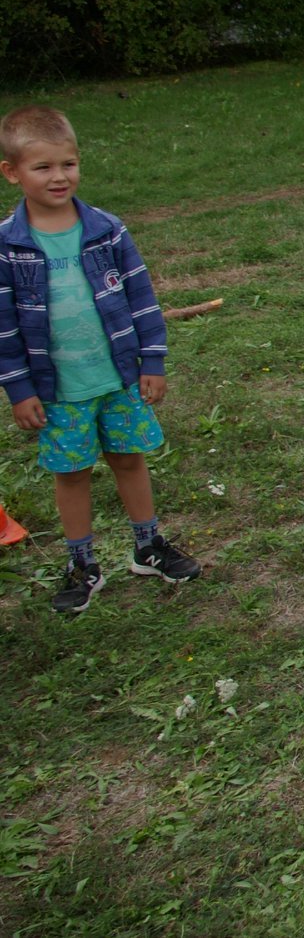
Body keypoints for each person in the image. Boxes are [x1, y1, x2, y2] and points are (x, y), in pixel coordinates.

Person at [0, 107, 198, 614]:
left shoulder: (106, 230)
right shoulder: (7, 247)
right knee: (72, 473)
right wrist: (20, 390)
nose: (59, 176)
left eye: (68, 163)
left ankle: (148, 546)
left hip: (118, 379)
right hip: (58, 391)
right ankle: (81, 563)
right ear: (12, 172)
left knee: (129, 459)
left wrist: (152, 361)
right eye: (42, 167)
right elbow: (3, 328)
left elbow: (143, 300)